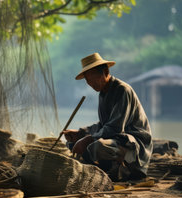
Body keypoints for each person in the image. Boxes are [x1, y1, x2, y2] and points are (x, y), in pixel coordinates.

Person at [62, 52, 153, 182]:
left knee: (98, 146)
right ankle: (108, 168)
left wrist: (88, 139)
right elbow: (104, 124)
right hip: (117, 139)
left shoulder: (122, 90)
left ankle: (125, 168)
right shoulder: (103, 93)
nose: (91, 84)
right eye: (88, 81)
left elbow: (115, 128)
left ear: (105, 72)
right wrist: (81, 133)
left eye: (93, 79)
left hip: (134, 144)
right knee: (71, 145)